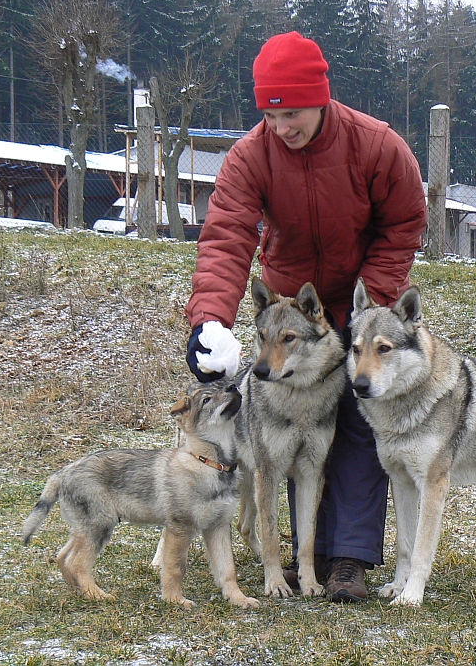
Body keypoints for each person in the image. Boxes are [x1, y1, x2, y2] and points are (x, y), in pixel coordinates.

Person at [184, 31, 427, 602]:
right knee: (293, 428)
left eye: (291, 113)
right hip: (292, 313)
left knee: (359, 424)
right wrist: (211, 319)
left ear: (320, 99)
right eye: (269, 114)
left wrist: (374, 301)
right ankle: (306, 556)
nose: (280, 127)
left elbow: (403, 223)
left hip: (359, 306)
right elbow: (226, 238)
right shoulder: (250, 157)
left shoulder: (377, 146)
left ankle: (350, 558)